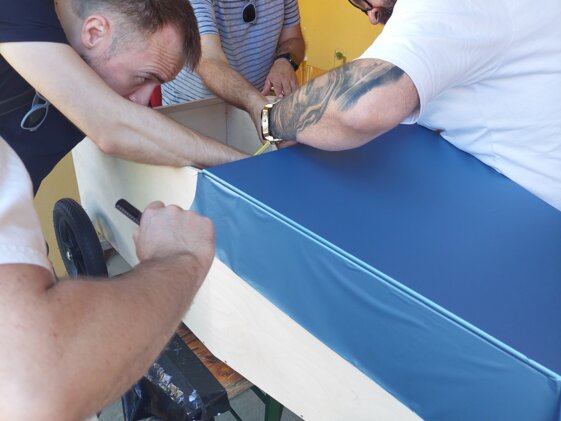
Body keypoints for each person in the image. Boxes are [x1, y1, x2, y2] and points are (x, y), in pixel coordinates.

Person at [0, 0, 241, 418]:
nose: (146, 99)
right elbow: (112, 125)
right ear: (95, 32)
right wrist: (247, 169)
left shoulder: (85, 71)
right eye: (145, 78)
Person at [260, 0, 561, 212]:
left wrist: (271, 119)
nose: (372, 17)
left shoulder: (442, 6)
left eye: (361, 2)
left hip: (533, 215)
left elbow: (359, 108)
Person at [162, 0, 305, 130]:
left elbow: (293, 39)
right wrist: (255, 103)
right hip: (193, 112)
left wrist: (284, 60)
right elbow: (209, 60)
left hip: (254, 107)